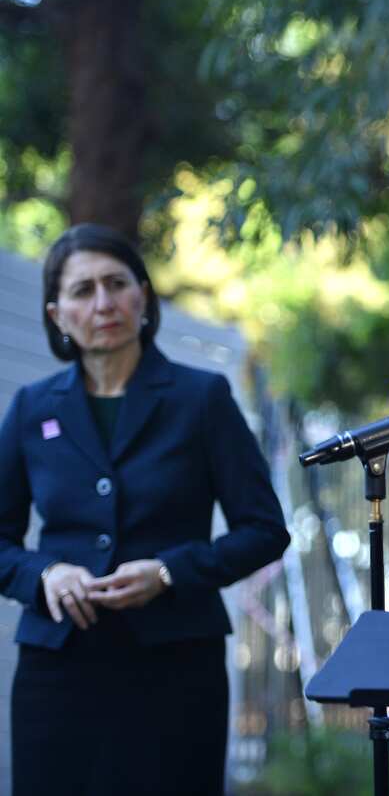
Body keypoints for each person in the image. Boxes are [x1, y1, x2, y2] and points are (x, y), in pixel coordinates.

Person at [0, 224, 290, 796]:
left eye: (117, 283)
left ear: (144, 297)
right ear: (58, 315)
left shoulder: (201, 399)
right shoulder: (32, 408)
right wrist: (45, 574)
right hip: (58, 672)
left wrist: (167, 572)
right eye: (83, 291)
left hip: (175, 666)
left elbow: (264, 531)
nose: (103, 302)